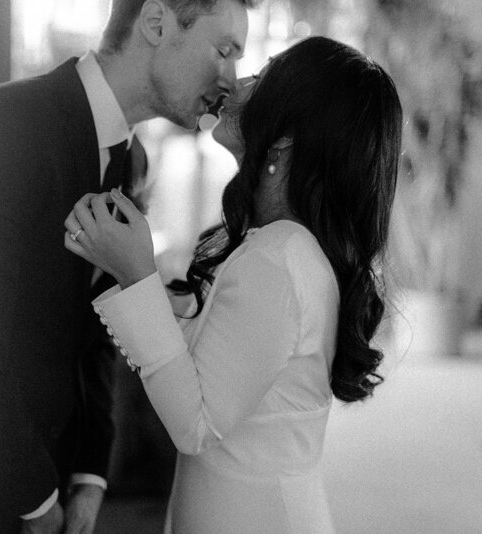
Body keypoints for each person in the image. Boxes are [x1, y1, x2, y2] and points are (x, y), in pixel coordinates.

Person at [0, 0, 258, 532]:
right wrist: (35, 499)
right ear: (156, 22)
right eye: (224, 50)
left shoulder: (131, 160)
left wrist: (89, 473)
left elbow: (97, 327)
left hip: (53, 471)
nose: (230, 80)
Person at [64, 36, 403, 533]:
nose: (238, 82)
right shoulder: (284, 246)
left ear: (285, 137)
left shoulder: (280, 257)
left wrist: (137, 275)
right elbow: (203, 365)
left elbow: (195, 424)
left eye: (261, 77)